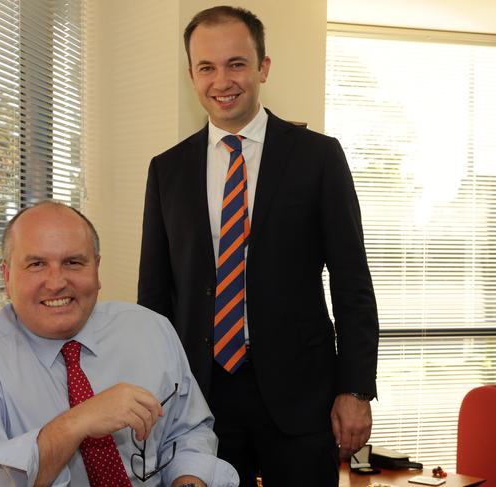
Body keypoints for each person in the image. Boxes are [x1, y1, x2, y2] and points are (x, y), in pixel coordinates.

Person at [138, 6, 379, 486]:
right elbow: (155, 297)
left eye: (236, 64)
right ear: (191, 74)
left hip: (301, 401)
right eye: (206, 67)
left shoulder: (317, 158)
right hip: (200, 402)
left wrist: (355, 389)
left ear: (263, 68)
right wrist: (157, 393)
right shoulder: (167, 170)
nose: (221, 80)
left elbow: (352, 283)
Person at [0, 201, 238, 487]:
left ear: (97, 268)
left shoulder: (150, 329)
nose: (56, 282)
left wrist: (188, 481)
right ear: (7, 276)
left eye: (73, 262)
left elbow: (188, 431)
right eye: (37, 264)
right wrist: (76, 422)